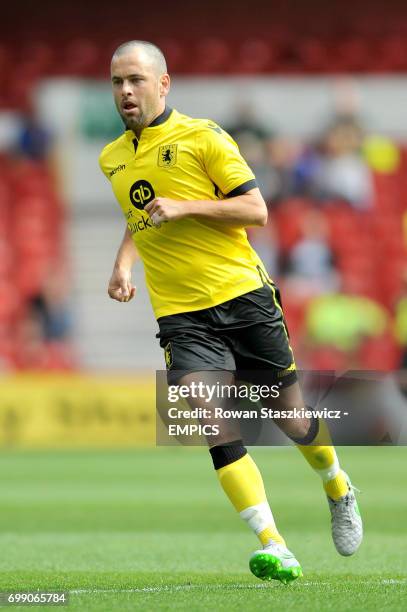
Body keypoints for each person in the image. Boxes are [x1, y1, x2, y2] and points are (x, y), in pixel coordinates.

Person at [99, 40, 362, 584]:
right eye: (118, 82)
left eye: (136, 80)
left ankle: (337, 484)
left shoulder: (203, 136)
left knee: (289, 416)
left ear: (163, 83)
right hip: (180, 313)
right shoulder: (112, 157)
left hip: (242, 297)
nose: (126, 91)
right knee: (208, 416)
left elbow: (256, 209)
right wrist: (124, 262)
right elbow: (140, 211)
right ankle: (275, 545)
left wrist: (188, 206)